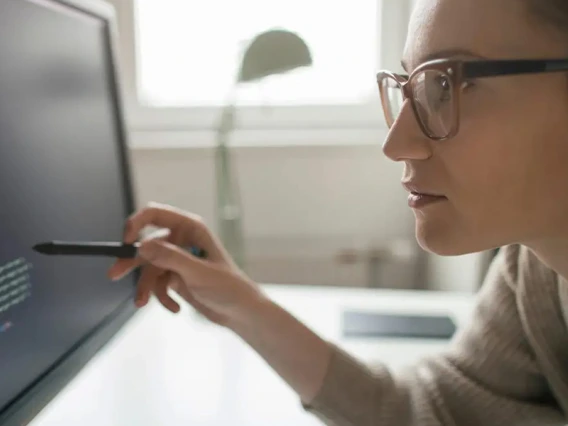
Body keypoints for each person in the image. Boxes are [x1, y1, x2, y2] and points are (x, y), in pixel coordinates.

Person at [107, 0, 568, 423]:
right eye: (410, 88)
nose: (396, 145)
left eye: (446, 84)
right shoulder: (536, 272)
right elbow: (420, 412)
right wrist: (242, 304)